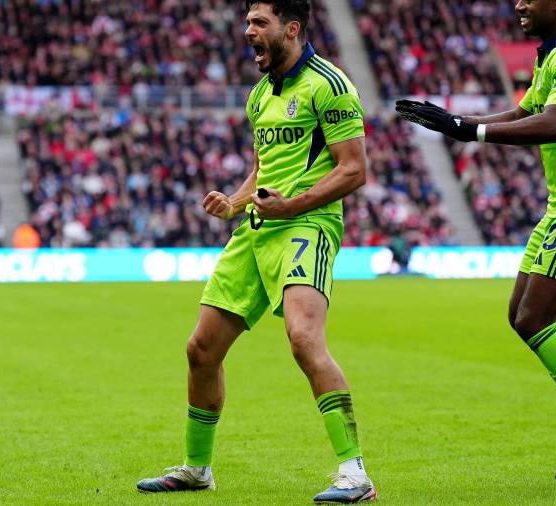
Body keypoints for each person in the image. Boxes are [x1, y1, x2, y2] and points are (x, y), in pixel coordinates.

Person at [396, 0, 556, 494]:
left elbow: (554, 124)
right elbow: (523, 113)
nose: (518, 4)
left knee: (536, 317)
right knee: (520, 315)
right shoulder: (553, 53)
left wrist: (471, 132)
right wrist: (456, 123)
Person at [136, 1, 375, 502]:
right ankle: (197, 469)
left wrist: (291, 206)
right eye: (247, 22)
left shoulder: (330, 84)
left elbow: (354, 169)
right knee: (201, 350)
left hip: (307, 224)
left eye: (259, 22)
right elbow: (264, 168)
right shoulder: (260, 94)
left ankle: (355, 474)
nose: (248, 31)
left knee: (303, 338)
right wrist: (234, 202)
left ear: (291, 28)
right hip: (257, 228)